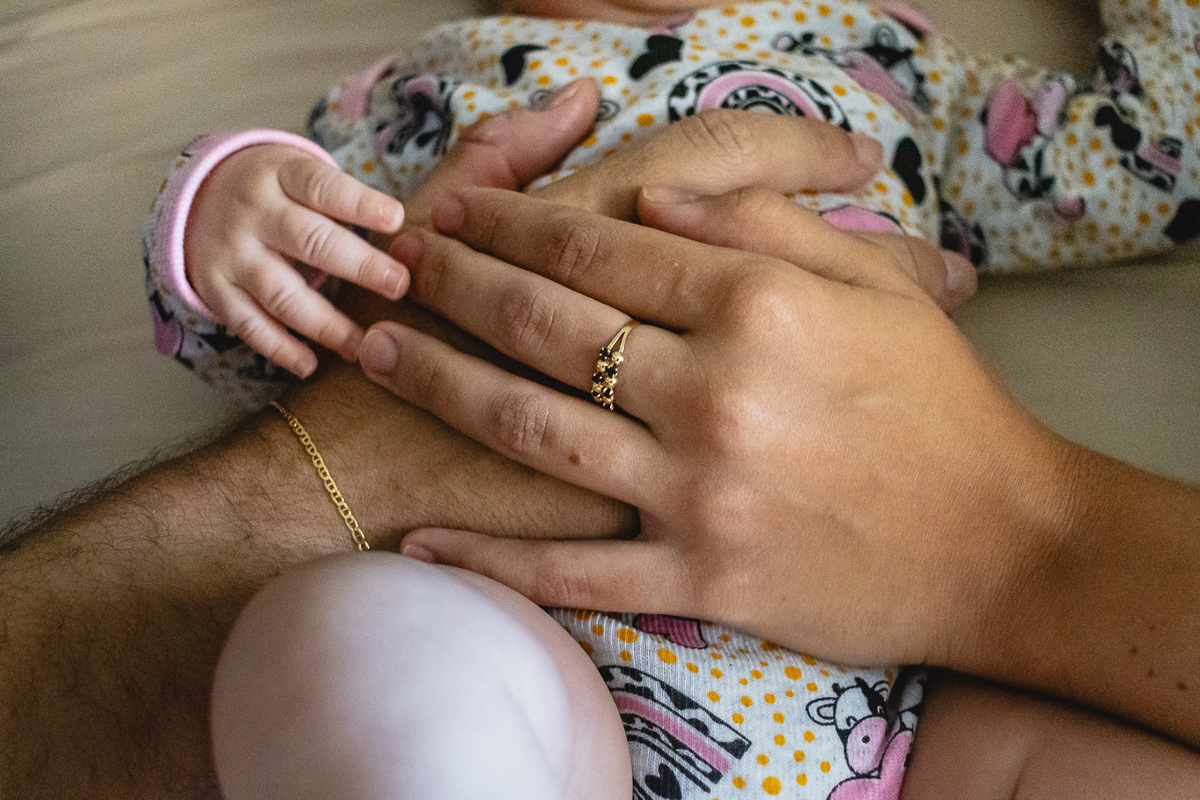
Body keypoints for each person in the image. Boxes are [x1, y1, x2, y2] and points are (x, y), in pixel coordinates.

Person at [138, 0, 1200, 796]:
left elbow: (1158, 162)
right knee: (341, 647)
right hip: (537, 652)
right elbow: (274, 327)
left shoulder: (889, 65)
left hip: (888, 716)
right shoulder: (421, 88)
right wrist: (228, 206)